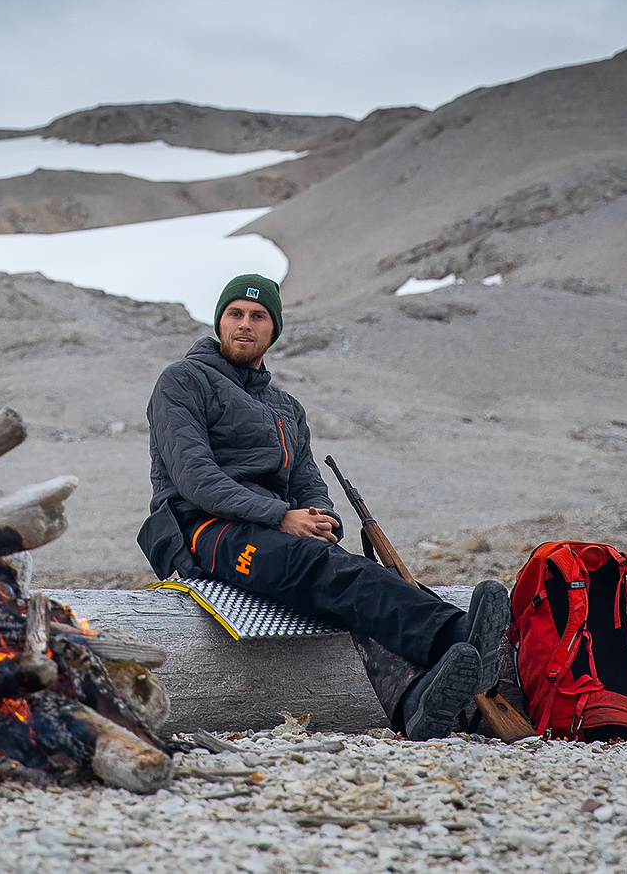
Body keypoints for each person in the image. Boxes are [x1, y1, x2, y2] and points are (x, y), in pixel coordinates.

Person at [137, 272, 510, 739]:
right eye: (235, 314)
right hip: (203, 529)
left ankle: (415, 700)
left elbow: (308, 481)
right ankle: (457, 635)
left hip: (273, 530)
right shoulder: (182, 380)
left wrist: (320, 519)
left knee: (345, 579)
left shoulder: (286, 406)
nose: (245, 324)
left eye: (258, 316)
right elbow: (196, 479)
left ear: (273, 331)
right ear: (219, 322)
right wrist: (280, 516)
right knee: (320, 569)